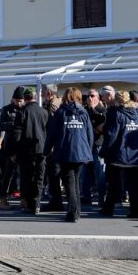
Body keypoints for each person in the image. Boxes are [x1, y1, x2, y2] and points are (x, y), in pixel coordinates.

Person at [46, 87, 94, 222]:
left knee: (69, 183)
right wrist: (87, 151)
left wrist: (46, 150)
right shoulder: (84, 113)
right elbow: (90, 134)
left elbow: (52, 134)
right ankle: (76, 211)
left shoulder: (61, 112)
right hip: (80, 152)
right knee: (76, 182)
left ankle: (73, 213)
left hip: (65, 152)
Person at [100, 90, 138, 218]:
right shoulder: (136, 115)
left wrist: (104, 151)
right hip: (134, 156)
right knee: (134, 187)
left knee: (113, 185)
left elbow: (111, 135)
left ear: (117, 100)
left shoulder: (116, 113)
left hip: (118, 155)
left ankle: (108, 209)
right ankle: (136, 210)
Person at [16, 87, 49, 214]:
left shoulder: (22, 111)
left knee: (27, 177)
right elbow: (48, 132)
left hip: (26, 149)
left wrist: (15, 151)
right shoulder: (44, 112)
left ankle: (29, 203)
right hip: (41, 148)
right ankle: (37, 203)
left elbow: (18, 134)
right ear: (35, 97)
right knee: (39, 177)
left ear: (25, 98)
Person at [0, 91, 25, 208]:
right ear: (13, 99)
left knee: (24, 175)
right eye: (16, 100)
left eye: (20, 100)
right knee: (8, 174)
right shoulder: (6, 109)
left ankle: (24, 199)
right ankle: (3, 199)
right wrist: (15, 125)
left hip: (23, 146)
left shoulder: (25, 109)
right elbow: (0, 126)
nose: (18, 103)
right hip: (10, 146)